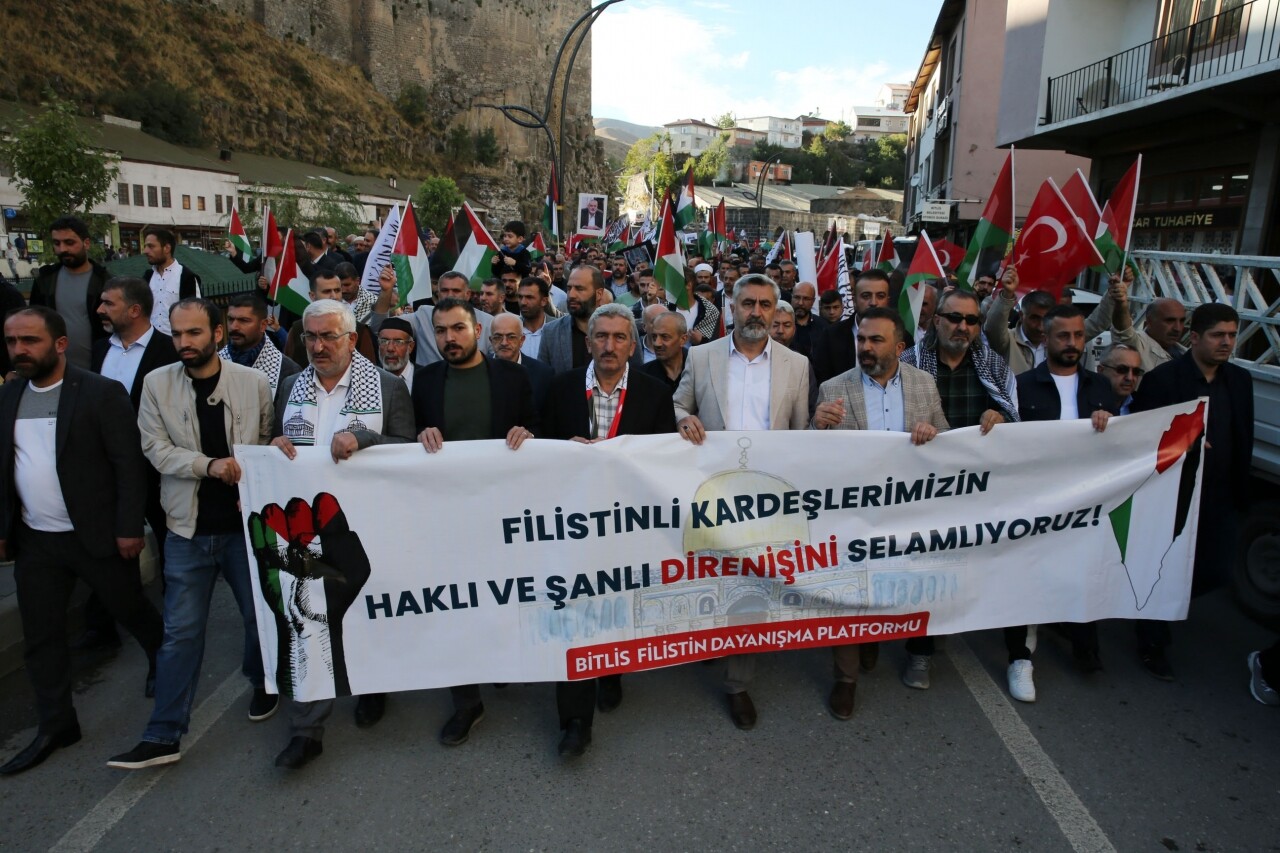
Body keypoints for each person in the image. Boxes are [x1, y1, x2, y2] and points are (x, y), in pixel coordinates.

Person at [107, 298, 274, 771]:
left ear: (217, 335)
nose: (184, 342)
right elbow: (154, 450)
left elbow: (263, 439)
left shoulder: (253, 383)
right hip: (185, 530)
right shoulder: (156, 385)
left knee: (257, 616)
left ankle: (263, 681)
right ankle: (163, 735)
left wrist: (253, 482)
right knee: (180, 633)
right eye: (177, 334)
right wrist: (208, 465)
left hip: (244, 529)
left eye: (194, 333)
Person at [0, 308, 164, 776]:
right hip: (36, 541)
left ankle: (161, 658)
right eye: (11, 341)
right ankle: (56, 724)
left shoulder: (98, 393)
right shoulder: (9, 394)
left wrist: (129, 526)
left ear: (59, 344)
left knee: (130, 608)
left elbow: (127, 465)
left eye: (29, 340)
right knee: (42, 636)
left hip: (95, 535)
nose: (19, 350)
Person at [269, 298, 416, 769]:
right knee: (308, 620)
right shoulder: (290, 386)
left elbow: (406, 450)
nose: (317, 346)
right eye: (309, 337)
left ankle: (374, 689)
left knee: (370, 613)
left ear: (353, 339)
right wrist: (274, 445)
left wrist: (366, 439)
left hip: (368, 523)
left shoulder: (389, 387)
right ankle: (306, 730)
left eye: (328, 336)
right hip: (306, 529)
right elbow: (277, 442)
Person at [672, 273, 811, 731]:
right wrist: (683, 420)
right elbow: (677, 404)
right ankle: (712, 640)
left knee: (749, 586)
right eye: (748, 303)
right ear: (731, 308)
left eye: (765, 304)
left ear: (776, 311)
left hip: (765, 499)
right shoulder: (701, 355)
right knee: (709, 576)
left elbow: (802, 435)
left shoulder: (797, 364)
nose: (756, 312)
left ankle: (738, 683)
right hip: (709, 492)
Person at [540, 303, 676, 757]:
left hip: (626, 526)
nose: (609, 346)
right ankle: (575, 722)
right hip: (572, 524)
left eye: (619, 338)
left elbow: (663, 460)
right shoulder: (558, 389)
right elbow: (536, 449)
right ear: (588, 341)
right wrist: (562, 450)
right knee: (574, 612)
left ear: (633, 347)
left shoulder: (654, 394)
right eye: (601, 336)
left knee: (617, 604)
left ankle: (612, 670)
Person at [811, 307, 949, 719]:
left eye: (875, 341)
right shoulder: (834, 387)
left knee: (899, 586)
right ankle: (845, 679)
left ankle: (884, 640)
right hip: (853, 518)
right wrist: (816, 424)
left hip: (907, 515)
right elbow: (810, 457)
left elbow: (947, 440)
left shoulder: (925, 385)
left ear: (900, 347)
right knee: (847, 595)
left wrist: (934, 434)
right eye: (861, 340)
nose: (865, 348)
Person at [413, 298, 538, 748]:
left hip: (503, 515)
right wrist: (418, 438)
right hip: (445, 518)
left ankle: (501, 662)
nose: (450, 338)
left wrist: (528, 434)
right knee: (454, 607)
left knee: (503, 598)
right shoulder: (424, 381)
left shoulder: (513, 377)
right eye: (441, 330)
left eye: (458, 328)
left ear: (478, 329)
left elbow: (537, 431)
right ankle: (466, 702)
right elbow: (409, 445)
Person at [1130, 303, 1253, 680]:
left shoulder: (1239, 381)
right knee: (1164, 569)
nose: (1226, 343)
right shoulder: (1163, 381)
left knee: (1216, 570)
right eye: (1218, 335)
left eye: (1232, 335)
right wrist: (1184, 443)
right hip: (1174, 495)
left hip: (1220, 498)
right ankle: (1153, 640)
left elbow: (1243, 435)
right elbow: (1141, 439)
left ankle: (1165, 602)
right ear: (1195, 337)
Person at [1010, 305, 1118, 700]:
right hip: (1034, 504)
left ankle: (1085, 648)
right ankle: (1020, 657)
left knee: (1081, 573)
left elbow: (1126, 443)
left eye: (1078, 336)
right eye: (1063, 336)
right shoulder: (1021, 386)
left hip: (1086, 503)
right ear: (1046, 339)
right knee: (1027, 577)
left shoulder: (1100, 388)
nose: (1072, 343)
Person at [77, 277, 181, 651]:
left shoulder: (168, 351)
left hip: (155, 470)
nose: (100, 310)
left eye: (108, 303)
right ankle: (103, 625)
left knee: (171, 551)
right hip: (108, 472)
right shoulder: (100, 351)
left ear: (134, 310)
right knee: (109, 551)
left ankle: (173, 633)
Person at [28, 216, 111, 370]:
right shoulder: (45, 281)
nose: (62, 249)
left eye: (69, 242)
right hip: (52, 370)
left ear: (86, 243)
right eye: (57, 243)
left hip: (96, 371)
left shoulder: (104, 282)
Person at [369, 270, 495, 366]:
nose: (450, 295)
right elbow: (380, 327)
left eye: (456, 291)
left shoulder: (488, 322)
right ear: (438, 294)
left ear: (467, 294)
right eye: (445, 290)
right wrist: (386, 291)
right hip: (429, 388)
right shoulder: (423, 315)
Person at [538, 265, 641, 374]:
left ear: (599, 294)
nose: (571, 295)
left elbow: (637, 373)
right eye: (569, 288)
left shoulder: (625, 327)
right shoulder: (551, 332)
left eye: (579, 289)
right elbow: (544, 379)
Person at [811, 270, 892, 383]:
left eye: (880, 296)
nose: (873, 302)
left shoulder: (901, 336)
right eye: (866, 296)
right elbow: (822, 382)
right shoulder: (830, 336)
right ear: (854, 299)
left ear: (888, 300)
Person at [284, 271, 379, 366]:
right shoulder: (297, 329)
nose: (334, 296)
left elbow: (370, 369)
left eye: (337, 290)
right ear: (312, 296)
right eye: (327, 291)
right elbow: (289, 368)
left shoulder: (359, 330)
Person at [220, 293, 302, 395]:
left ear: (263, 325)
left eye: (243, 320)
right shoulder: (214, 363)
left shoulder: (287, 370)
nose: (234, 327)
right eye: (230, 319)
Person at [141, 227, 201, 335]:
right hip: (151, 342)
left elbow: (195, 315)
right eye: (146, 246)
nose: (146, 251)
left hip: (176, 344)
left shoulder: (186, 277)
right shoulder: (148, 277)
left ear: (167, 248)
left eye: (151, 246)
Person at [490, 312, 553, 412]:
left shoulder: (543, 374)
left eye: (511, 337)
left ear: (522, 340)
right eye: (498, 337)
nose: (504, 342)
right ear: (491, 340)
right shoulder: (480, 369)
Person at [641, 310, 689, 395]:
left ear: (683, 339)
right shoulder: (643, 375)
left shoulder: (698, 370)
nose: (657, 343)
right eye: (654, 336)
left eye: (665, 337)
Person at [1097, 344, 1144, 415]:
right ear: (1101, 370)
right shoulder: (1083, 402)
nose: (1130, 378)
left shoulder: (1144, 404)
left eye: (1136, 372)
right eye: (1122, 369)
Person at [377, 316, 417, 390]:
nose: (390, 348)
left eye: (398, 342)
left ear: (410, 346)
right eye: (384, 341)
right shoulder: (369, 376)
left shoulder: (426, 377)